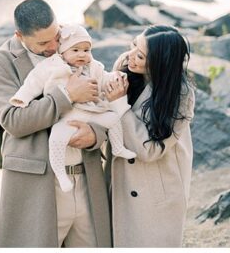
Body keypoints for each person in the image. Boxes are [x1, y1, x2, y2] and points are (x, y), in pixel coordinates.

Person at [0, 0, 112, 247]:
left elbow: (98, 101)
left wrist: (96, 133)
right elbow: (13, 120)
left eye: (56, 36)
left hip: (86, 175)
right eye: (43, 42)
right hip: (39, 183)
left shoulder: (72, 41)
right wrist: (66, 96)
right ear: (19, 36)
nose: (54, 46)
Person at [9, 24, 135, 193]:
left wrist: (116, 77)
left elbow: (104, 79)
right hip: (67, 115)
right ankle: (60, 174)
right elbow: (34, 81)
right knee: (57, 139)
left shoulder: (94, 66)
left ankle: (118, 147)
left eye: (86, 50)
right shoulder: (52, 65)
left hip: (91, 111)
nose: (82, 54)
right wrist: (22, 97)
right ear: (63, 52)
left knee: (113, 119)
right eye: (75, 50)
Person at [105, 25, 194, 247]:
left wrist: (119, 104)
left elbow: (150, 150)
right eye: (134, 44)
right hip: (121, 178)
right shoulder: (124, 67)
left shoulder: (181, 94)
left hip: (157, 187)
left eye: (141, 55)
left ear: (160, 62)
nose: (131, 56)